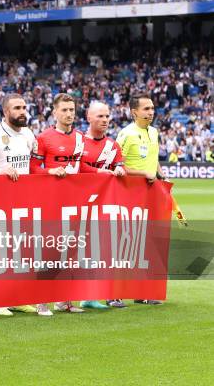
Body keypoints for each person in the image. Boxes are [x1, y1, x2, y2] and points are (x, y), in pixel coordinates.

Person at [30, 93, 111, 314]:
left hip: (74, 203)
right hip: (51, 202)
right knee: (50, 251)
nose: (68, 114)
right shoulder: (44, 138)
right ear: (54, 112)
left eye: (71, 110)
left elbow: (82, 167)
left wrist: (100, 171)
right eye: (64, 110)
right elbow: (33, 169)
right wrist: (50, 171)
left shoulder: (79, 139)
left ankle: (64, 301)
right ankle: (41, 300)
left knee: (71, 251)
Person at [0, 93, 47, 317]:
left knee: (18, 250)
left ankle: (16, 298)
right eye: (17, 108)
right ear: (5, 112)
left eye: (24, 107)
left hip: (23, 200)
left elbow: (31, 165)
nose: (22, 111)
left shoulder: (29, 135)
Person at [115, 92, 166, 306]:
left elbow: (153, 160)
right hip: (129, 194)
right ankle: (113, 293)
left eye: (152, 108)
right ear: (134, 111)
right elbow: (117, 165)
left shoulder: (154, 132)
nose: (151, 112)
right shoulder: (125, 134)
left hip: (150, 195)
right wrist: (142, 174)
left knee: (145, 245)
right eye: (146, 109)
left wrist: (162, 176)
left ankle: (141, 292)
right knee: (125, 243)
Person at [81, 101, 126, 309]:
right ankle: (82, 296)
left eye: (107, 116)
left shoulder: (112, 145)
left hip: (106, 205)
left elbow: (120, 166)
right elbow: (78, 166)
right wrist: (99, 172)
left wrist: (120, 171)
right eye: (100, 116)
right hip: (81, 204)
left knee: (107, 250)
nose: (105, 120)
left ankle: (107, 294)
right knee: (83, 251)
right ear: (89, 117)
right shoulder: (79, 142)